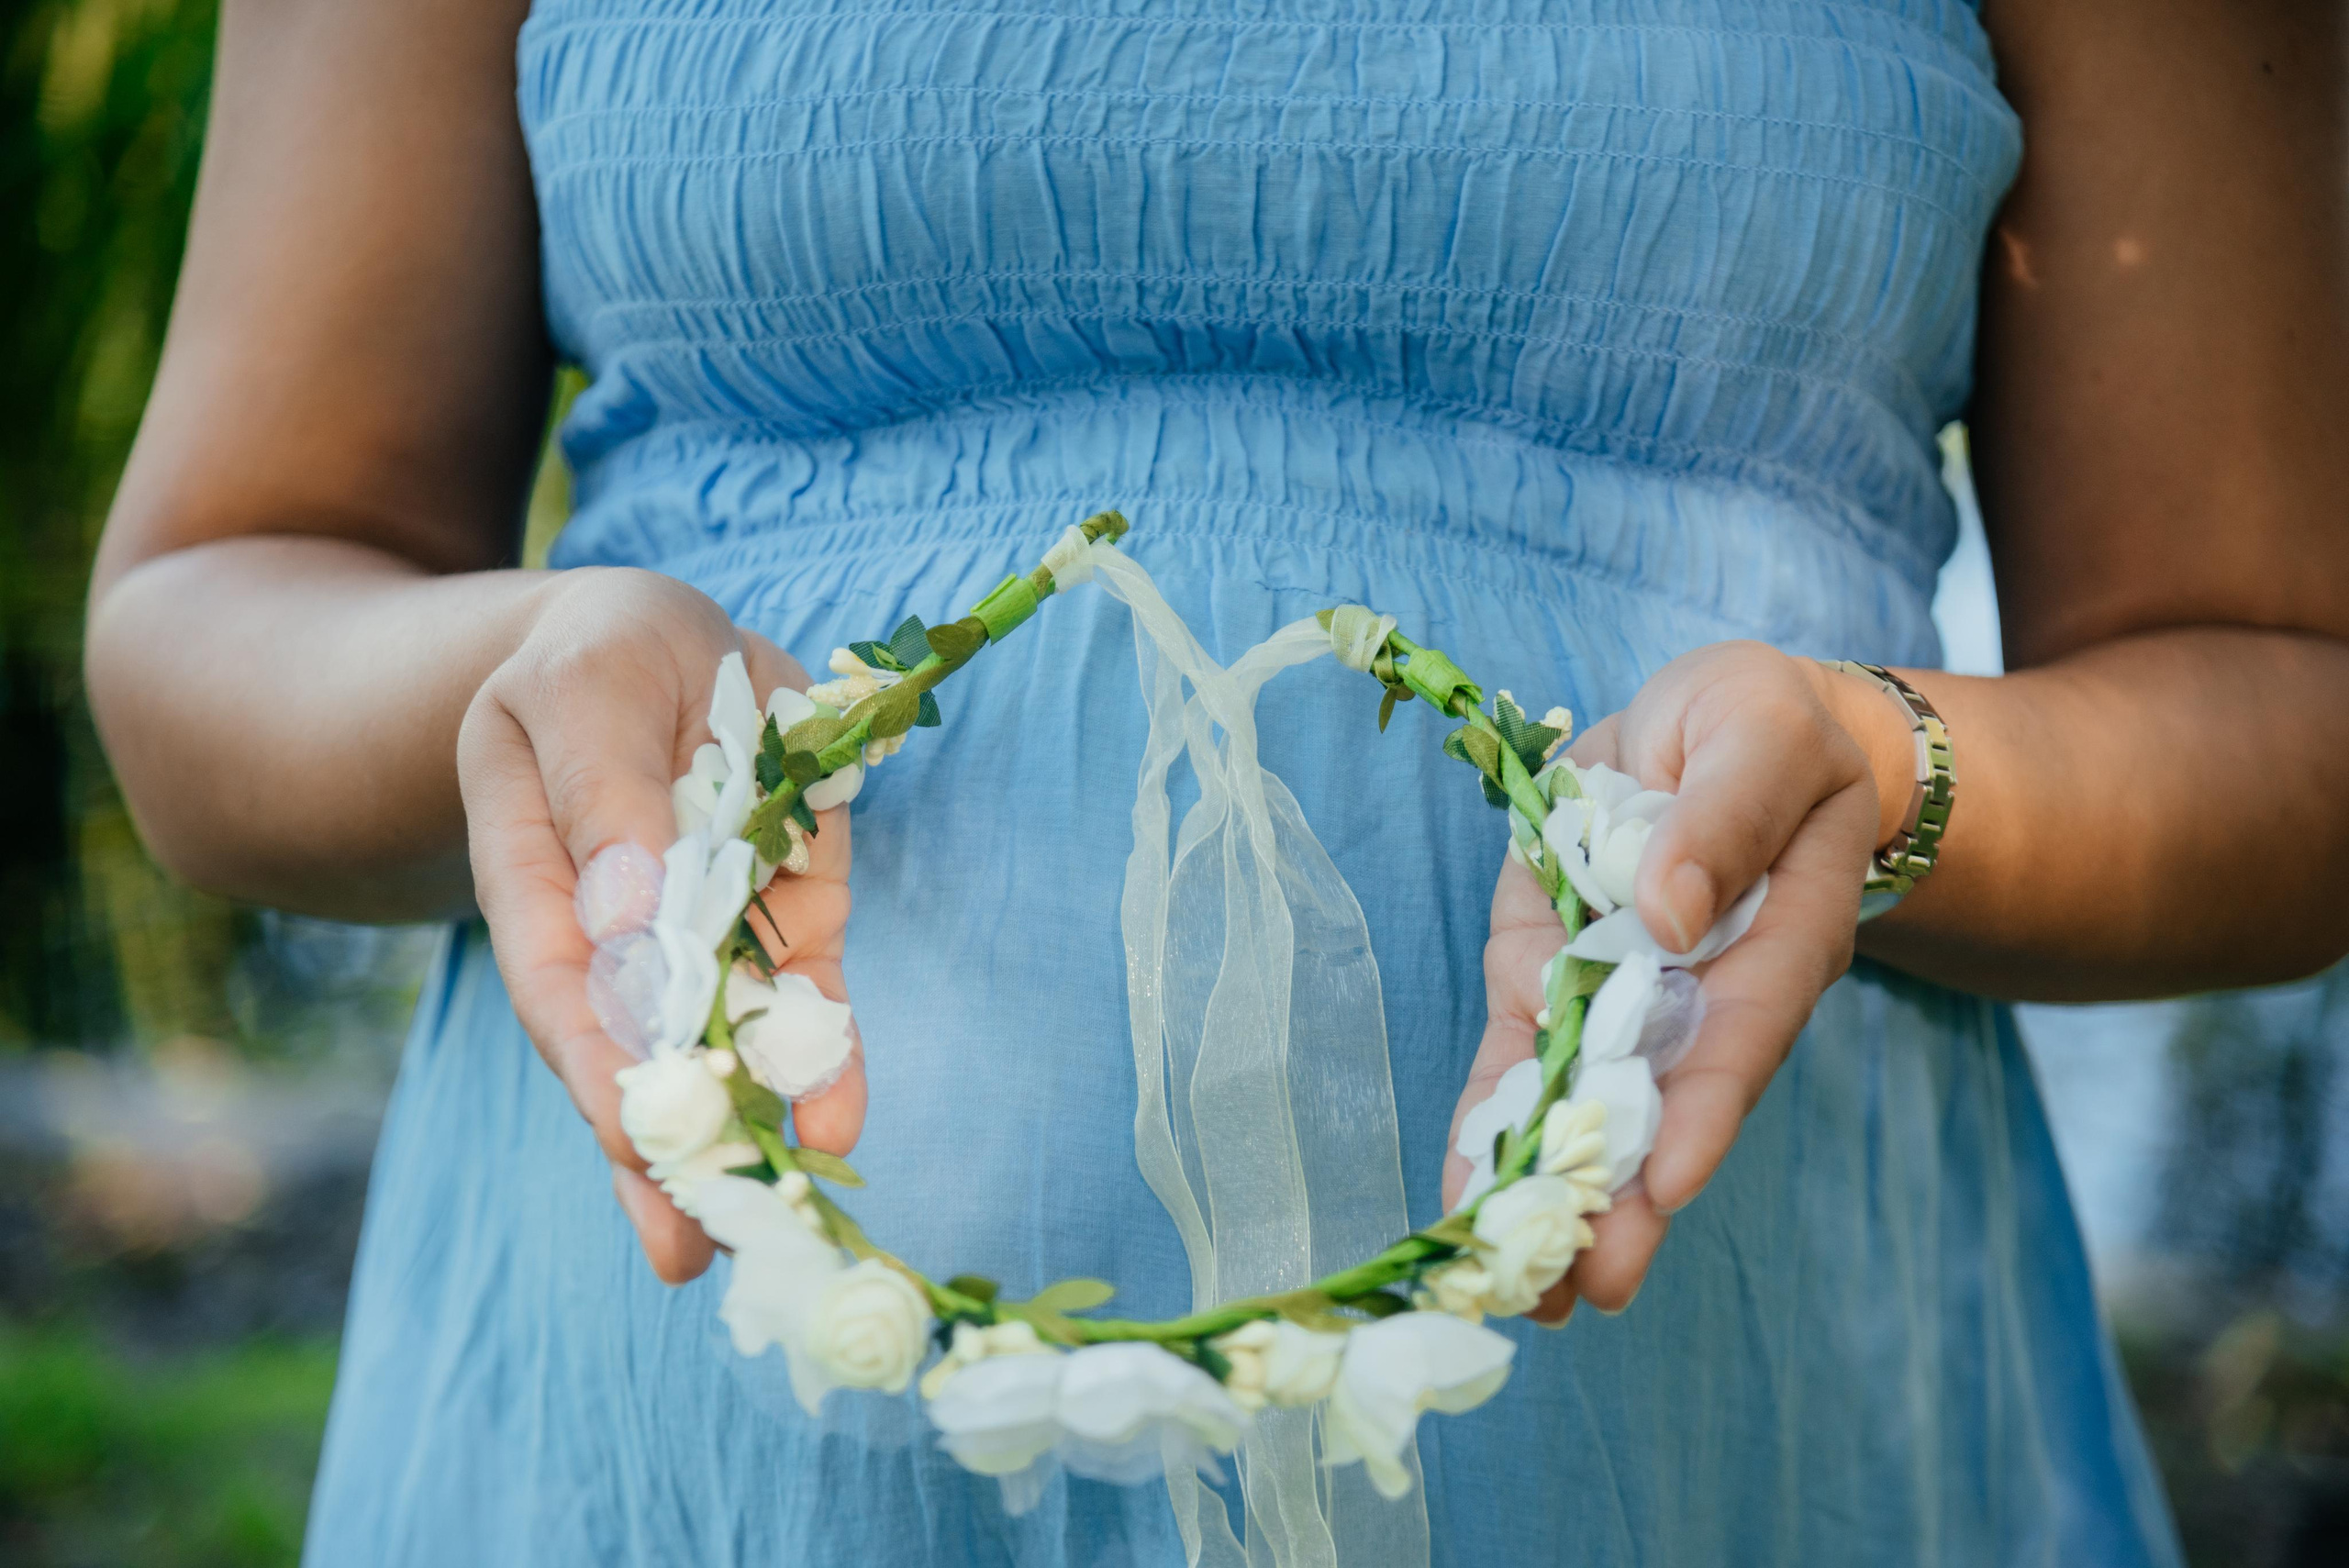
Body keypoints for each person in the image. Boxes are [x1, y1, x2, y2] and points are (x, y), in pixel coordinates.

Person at [83, 0, 2349, 1562]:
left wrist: (1895, 766)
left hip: (1712, 1443)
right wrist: (518, 662)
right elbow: (216, 609)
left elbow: (2279, 701)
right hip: (689, 1467)